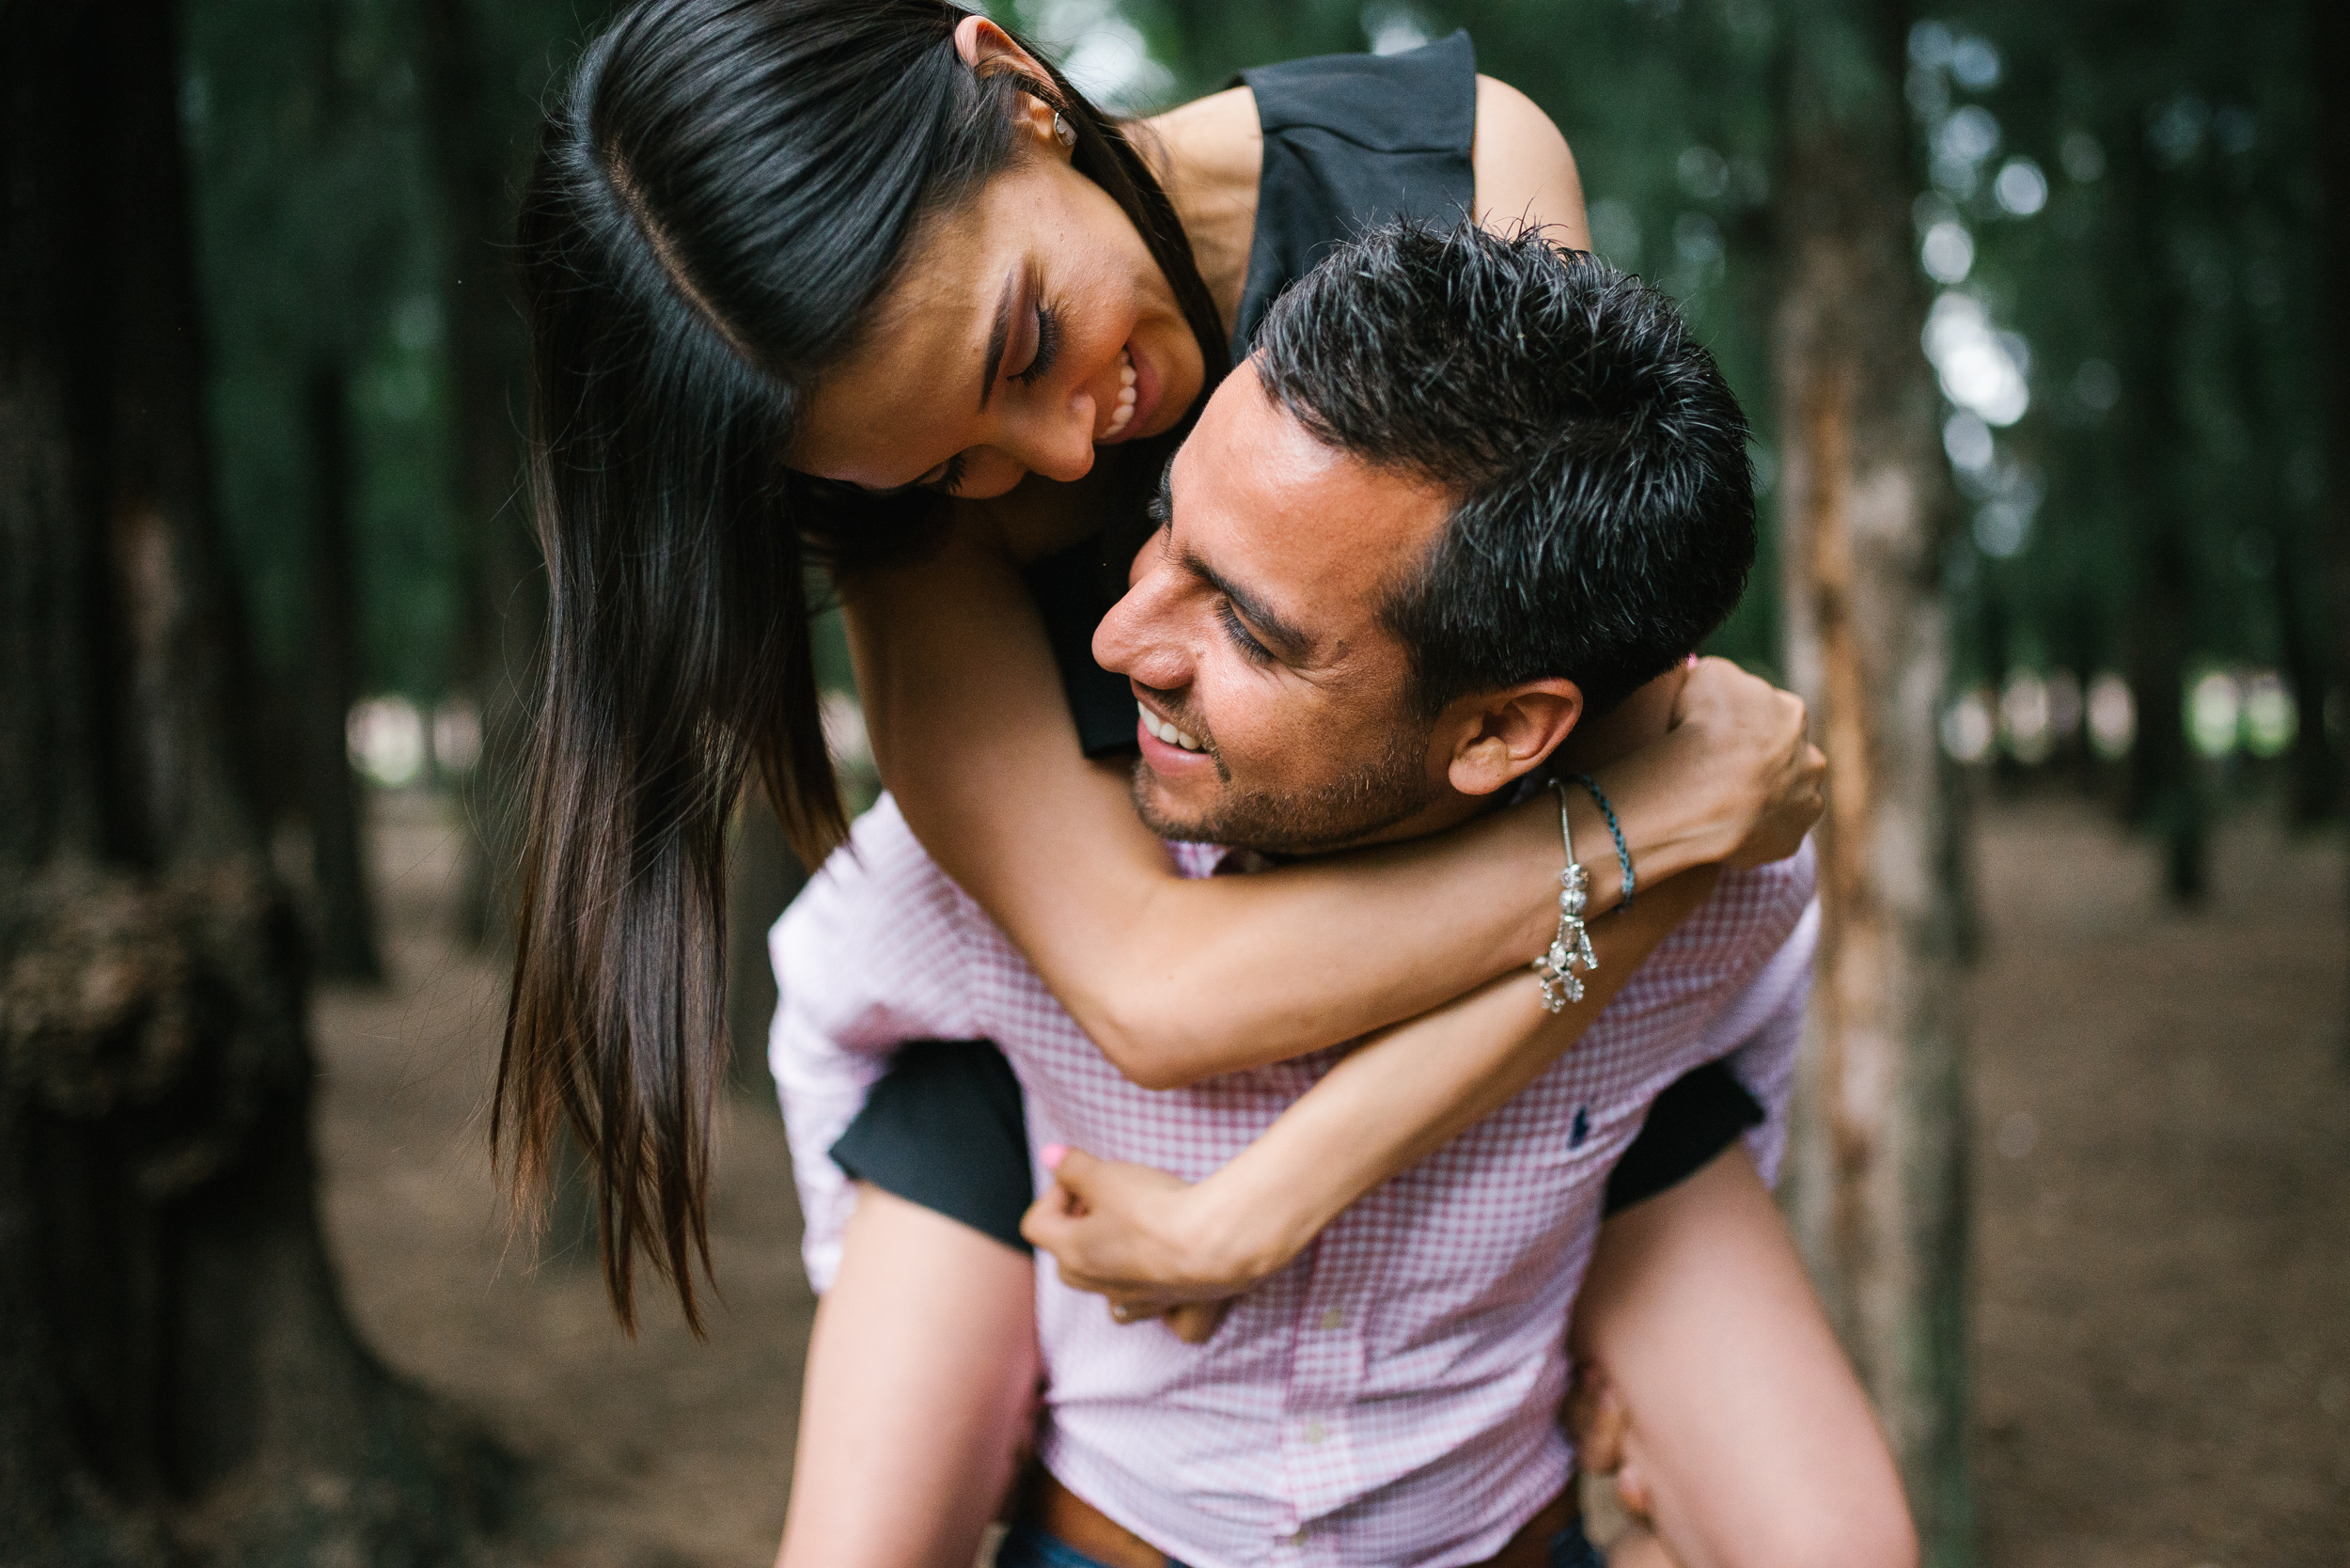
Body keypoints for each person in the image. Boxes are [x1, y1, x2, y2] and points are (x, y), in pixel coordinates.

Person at [493, 3, 1838, 1563]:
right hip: (1056, 1065)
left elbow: (1563, 736)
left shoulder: (1461, 171)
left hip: (1508, 1050)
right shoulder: (897, 521)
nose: (1062, 459)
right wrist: (1654, 826)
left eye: (1023, 345)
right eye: (946, 468)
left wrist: (1271, 1206)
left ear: (1011, 89)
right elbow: (1156, 994)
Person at [775, 221, 1913, 1568]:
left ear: (1500, 731)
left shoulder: (1722, 877)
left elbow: (1701, 1089)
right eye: (1162, 530)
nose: (1118, 639)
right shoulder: (1022, 880)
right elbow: (835, 1032)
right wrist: (931, 1298)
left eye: (1248, 628)